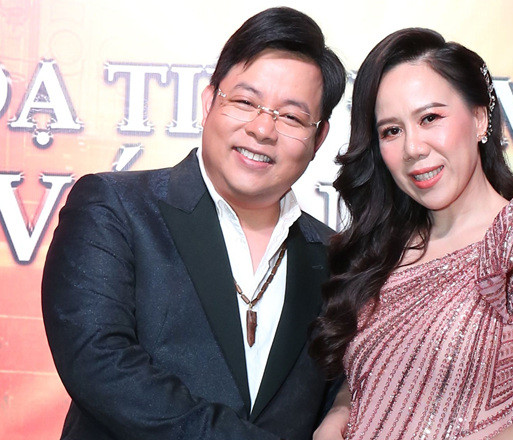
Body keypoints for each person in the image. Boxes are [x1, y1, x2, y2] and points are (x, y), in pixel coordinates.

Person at [310, 28, 513, 439]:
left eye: (430, 118)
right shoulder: (381, 251)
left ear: (479, 119)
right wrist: (337, 415)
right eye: (391, 130)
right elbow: (377, 381)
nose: (412, 148)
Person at [42, 7, 346, 440]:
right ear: (208, 102)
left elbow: (347, 385)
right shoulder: (114, 207)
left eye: (292, 117)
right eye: (245, 102)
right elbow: (98, 361)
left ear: (319, 138)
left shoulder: (338, 258)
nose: (263, 129)